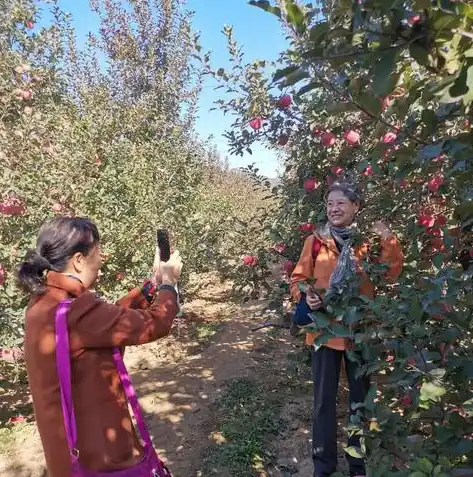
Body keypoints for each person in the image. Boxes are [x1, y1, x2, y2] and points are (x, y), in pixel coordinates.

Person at [18, 216, 182, 477]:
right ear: (79, 260)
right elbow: (157, 323)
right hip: (102, 454)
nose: (101, 259)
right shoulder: (77, 312)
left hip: (69, 455)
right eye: (97, 252)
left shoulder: (44, 302)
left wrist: (151, 285)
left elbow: (108, 321)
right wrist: (168, 285)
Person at [290, 181, 403, 477]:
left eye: (340, 203)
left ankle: (358, 464)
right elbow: (298, 279)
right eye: (329, 204)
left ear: (356, 207)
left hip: (360, 331)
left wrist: (388, 238)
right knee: (323, 401)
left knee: (360, 401)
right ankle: (323, 465)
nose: (333, 208)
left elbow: (391, 273)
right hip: (325, 333)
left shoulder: (367, 243)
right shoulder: (315, 242)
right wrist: (307, 294)